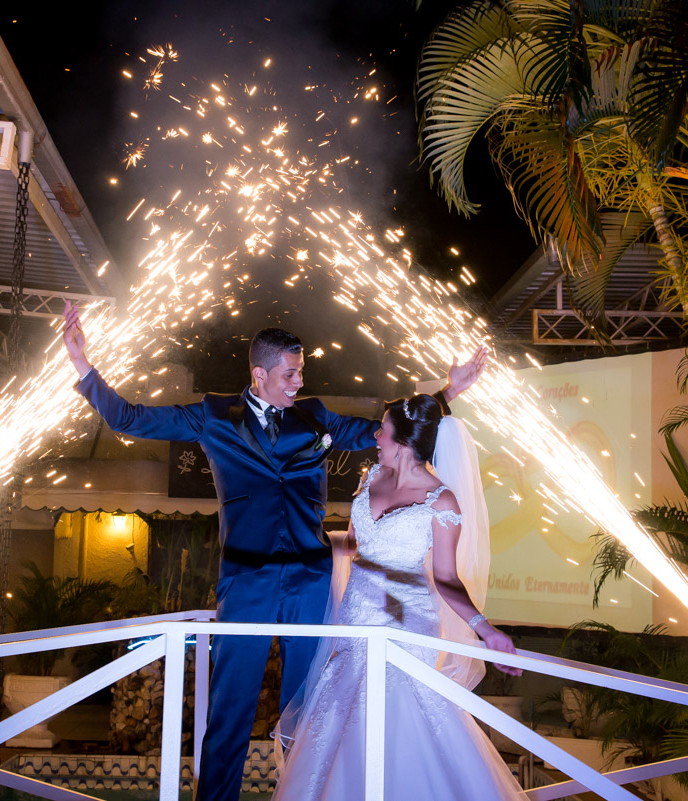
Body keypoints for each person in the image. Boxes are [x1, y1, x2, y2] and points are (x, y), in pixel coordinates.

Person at [61, 302, 488, 801]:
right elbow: (130, 417)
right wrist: (82, 365)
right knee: (231, 709)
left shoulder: (316, 417)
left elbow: (387, 429)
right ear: (259, 374)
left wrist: (447, 392)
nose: (298, 382)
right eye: (289, 374)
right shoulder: (213, 416)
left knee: (309, 708)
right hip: (247, 581)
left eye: (301, 372)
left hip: (311, 581)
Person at [271, 394, 525, 801]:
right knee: (342, 716)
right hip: (356, 616)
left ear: (404, 442)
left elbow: (447, 578)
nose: (375, 437)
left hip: (404, 618)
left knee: (394, 711)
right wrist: (303, 545)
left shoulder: (441, 501)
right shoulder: (371, 477)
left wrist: (486, 630)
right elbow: (355, 545)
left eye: (383, 430)